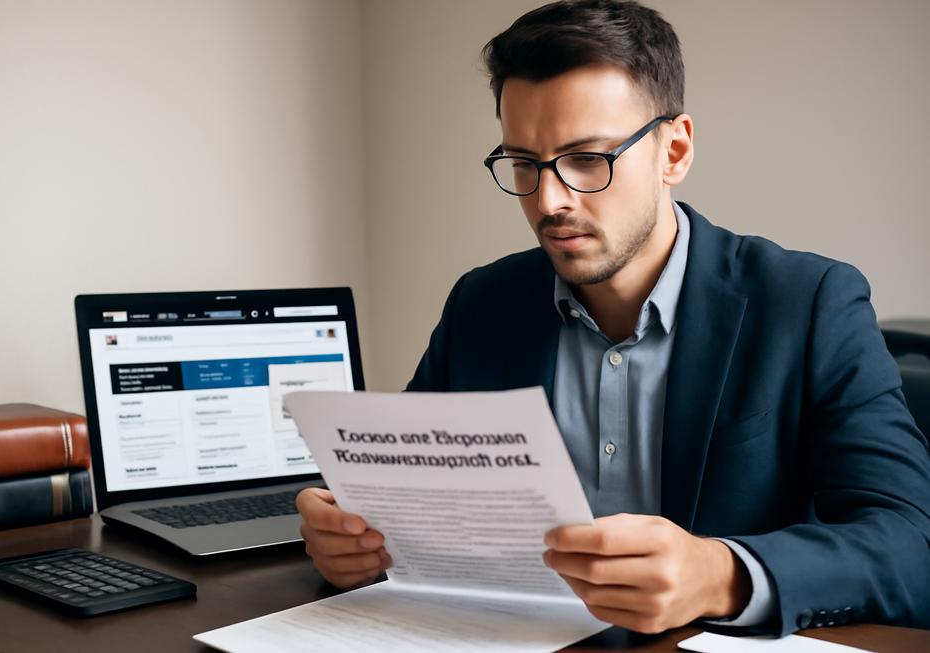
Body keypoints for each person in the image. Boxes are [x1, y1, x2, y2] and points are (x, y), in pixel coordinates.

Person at [295, 0, 930, 636]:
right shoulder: (481, 304)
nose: (549, 200)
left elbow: (911, 544)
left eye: (588, 159)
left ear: (674, 151)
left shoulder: (810, 302)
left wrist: (721, 572)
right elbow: (403, 507)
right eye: (524, 163)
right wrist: (351, 542)